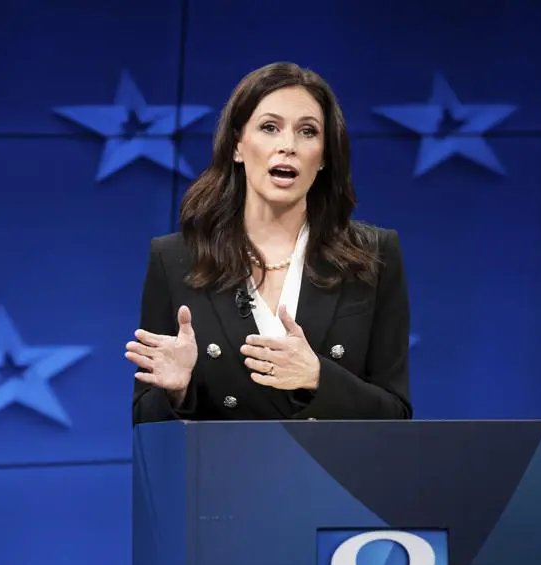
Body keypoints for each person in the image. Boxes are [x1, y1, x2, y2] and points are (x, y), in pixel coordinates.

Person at [127, 62, 412, 425]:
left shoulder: (374, 254)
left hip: (334, 478)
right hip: (226, 478)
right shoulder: (177, 259)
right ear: (237, 146)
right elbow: (145, 424)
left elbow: (396, 416)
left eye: (307, 131)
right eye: (269, 128)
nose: (288, 146)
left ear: (324, 156)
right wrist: (176, 391)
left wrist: (318, 378)